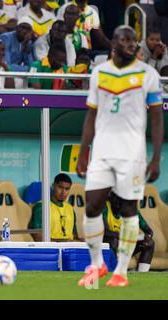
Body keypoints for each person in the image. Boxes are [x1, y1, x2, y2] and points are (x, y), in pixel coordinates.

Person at [76, 26, 164, 287]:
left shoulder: (148, 74)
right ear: (113, 43)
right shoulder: (99, 72)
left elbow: (157, 118)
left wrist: (156, 156)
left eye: (133, 41)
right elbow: (91, 115)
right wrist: (83, 151)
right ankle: (97, 264)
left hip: (132, 152)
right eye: (124, 39)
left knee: (128, 208)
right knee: (92, 204)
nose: (130, 44)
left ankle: (121, 271)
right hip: (103, 149)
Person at [102, 192, 154, 272]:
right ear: (110, 198)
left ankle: (142, 274)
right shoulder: (104, 207)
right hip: (109, 245)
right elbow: (105, 232)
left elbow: (148, 230)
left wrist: (148, 236)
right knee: (113, 241)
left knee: (150, 243)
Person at [29, 173, 79, 242]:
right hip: (50, 250)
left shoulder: (70, 209)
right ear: (53, 186)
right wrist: (62, 242)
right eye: (60, 187)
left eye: (67, 189)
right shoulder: (41, 207)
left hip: (70, 250)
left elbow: (75, 235)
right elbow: (38, 238)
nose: (63, 192)